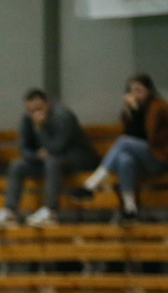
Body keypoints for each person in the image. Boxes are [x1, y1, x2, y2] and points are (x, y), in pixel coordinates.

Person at [0, 88, 99, 228]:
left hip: (73, 161)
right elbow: (24, 149)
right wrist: (36, 155)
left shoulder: (63, 116)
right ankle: (10, 210)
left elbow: (57, 147)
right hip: (45, 162)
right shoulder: (26, 118)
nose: (35, 114)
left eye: (39, 108)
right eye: (31, 110)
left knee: (52, 162)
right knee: (17, 165)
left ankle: (50, 210)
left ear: (48, 104)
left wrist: (40, 128)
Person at [71, 73, 168, 221]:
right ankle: (130, 208)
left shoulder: (158, 107)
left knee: (123, 142)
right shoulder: (132, 109)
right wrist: (131, 112)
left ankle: (91, 185)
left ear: (149, 90)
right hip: (142, 159)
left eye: (139, 90)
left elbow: (150, 136)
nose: (135, 94)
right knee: (124, 160)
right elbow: (132, 134)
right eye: (132, 90)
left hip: (159, 157)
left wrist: (136, 112)